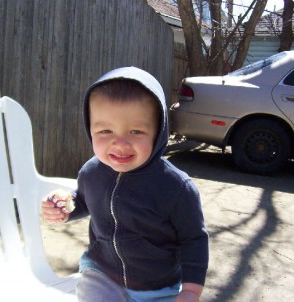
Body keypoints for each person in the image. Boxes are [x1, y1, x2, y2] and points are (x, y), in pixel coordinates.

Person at [42, 67, 209, 302]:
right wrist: (66, 206)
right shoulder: (91, 172)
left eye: (136, 131)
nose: (120, 144)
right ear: (90, 129)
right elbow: (84, 200)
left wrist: (191, 290)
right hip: (102, 275)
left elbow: (194, 239)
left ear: (158, 132)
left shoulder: (176, 187)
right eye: (105, 130)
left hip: (158, 287)